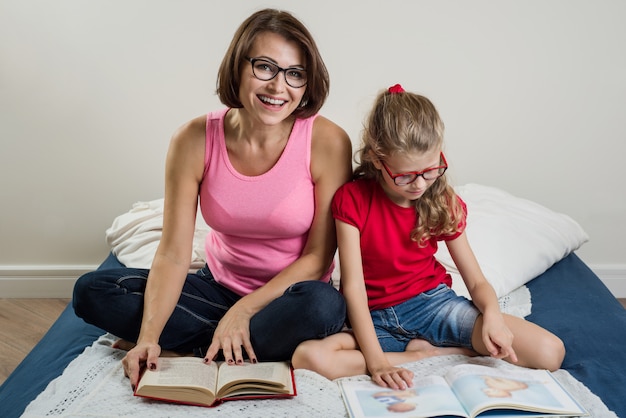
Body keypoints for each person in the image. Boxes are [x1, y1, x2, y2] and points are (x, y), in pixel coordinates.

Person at [72, 8, 352, 390]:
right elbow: (172, 253)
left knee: (325, 307)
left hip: (290, 297)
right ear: (238, 66)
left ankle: (200, 343)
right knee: (93, 291)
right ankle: (227, 345)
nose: (278, 86)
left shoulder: (327, 141)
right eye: (265, 67)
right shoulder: (193, 139)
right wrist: (149, 338)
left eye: (295, 74)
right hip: (215, 288)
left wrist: (244, 310)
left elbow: (319, 258)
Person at [291, 84, 565, 390]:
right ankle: (439, 355)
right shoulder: (351, 199)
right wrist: (376, 362)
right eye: (405, 176)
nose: (419, 185)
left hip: (435, 306)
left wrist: (492, 317)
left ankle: (427, 351)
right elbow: (354, 288)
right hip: (376, 318)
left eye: (430, 170)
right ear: (377, 159)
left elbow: (476, 281)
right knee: (308, 358)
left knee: (549, 352)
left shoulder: (441, 200)